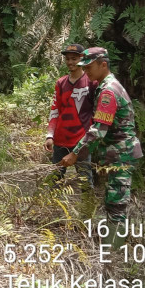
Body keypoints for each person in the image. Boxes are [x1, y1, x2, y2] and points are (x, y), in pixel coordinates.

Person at [59, 47, 143, 249]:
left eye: (89, 67)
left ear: (103, 64)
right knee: (113, 199)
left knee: (116, 202)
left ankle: (112, 252)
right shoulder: (105, 85)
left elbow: (98, 130)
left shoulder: (108, 92)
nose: (86, 72)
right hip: (117, 153)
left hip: (121, 154)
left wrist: (75, 153)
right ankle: (112, 245)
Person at [44, 43, 95, 191]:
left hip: (82, 140)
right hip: (61, 140)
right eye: (68, 59)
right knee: (54, 180)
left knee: (86, 181)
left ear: (82, 59)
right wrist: (50, 135)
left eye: (74, 58)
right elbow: (54, 110)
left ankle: (87, 212)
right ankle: (52, 211)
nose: (70, 62)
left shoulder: (91, 82)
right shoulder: (61, 83)